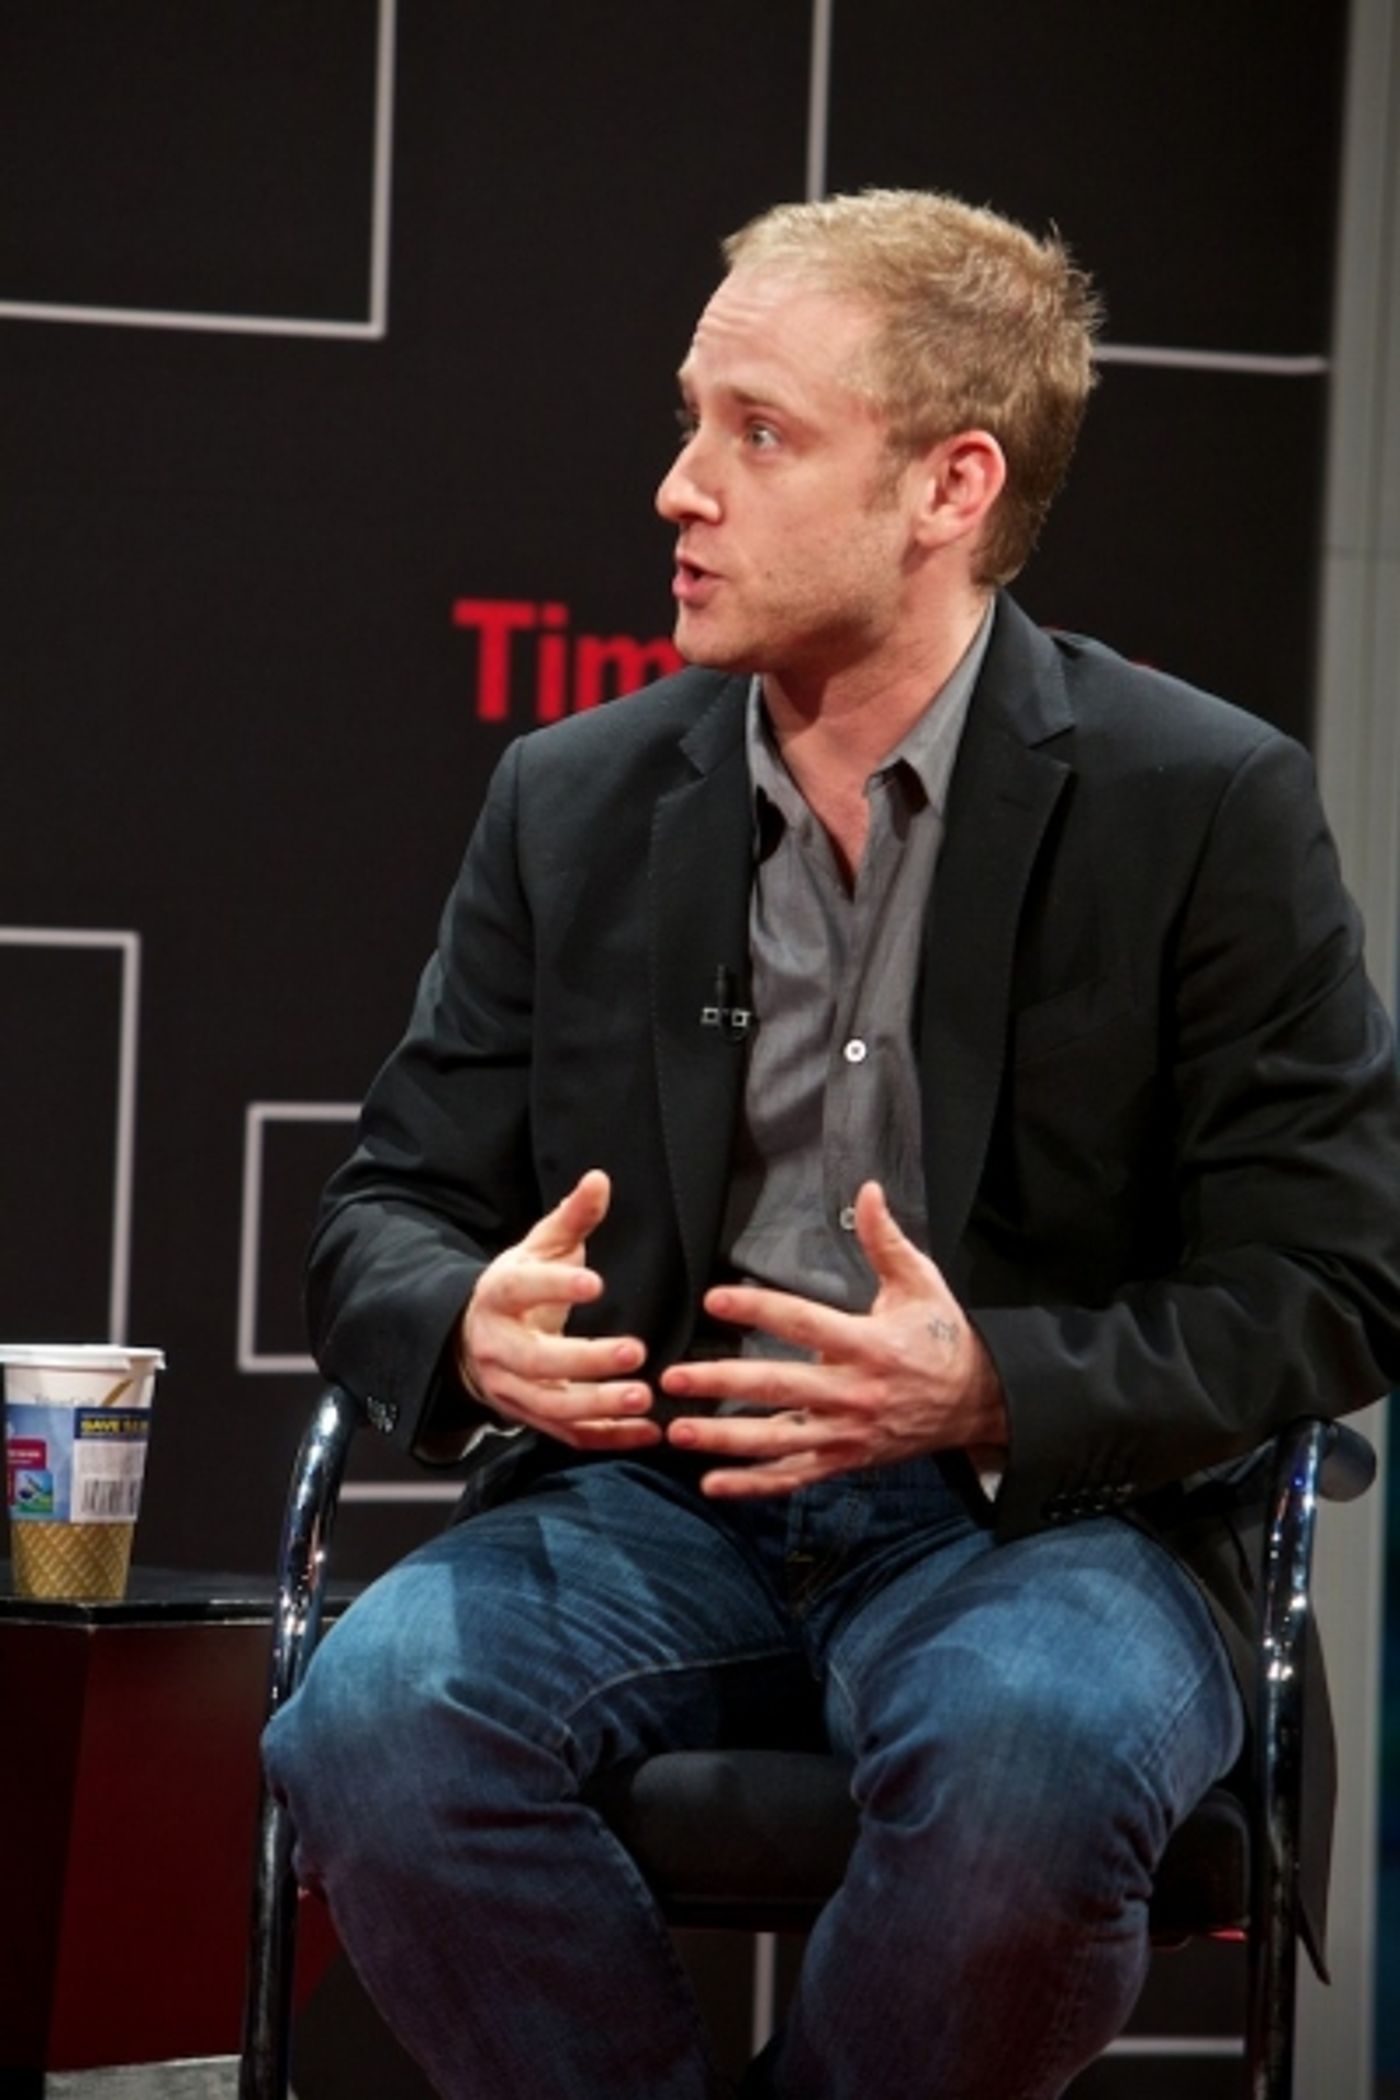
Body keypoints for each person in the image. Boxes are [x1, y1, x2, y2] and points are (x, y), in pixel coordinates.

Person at [263, 189, 1400, 2099]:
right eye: (693, 420)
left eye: (757, 433)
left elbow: (1338, 1278)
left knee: (1031, 1761)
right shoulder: (577, 798)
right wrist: (467, 1321)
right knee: (372, 1719)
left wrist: (987, 1387)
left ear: (950, 486)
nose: (677, 490)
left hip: (1052, 1523)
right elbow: (386, 1206)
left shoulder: (1199, 802)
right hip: (655, 1510)